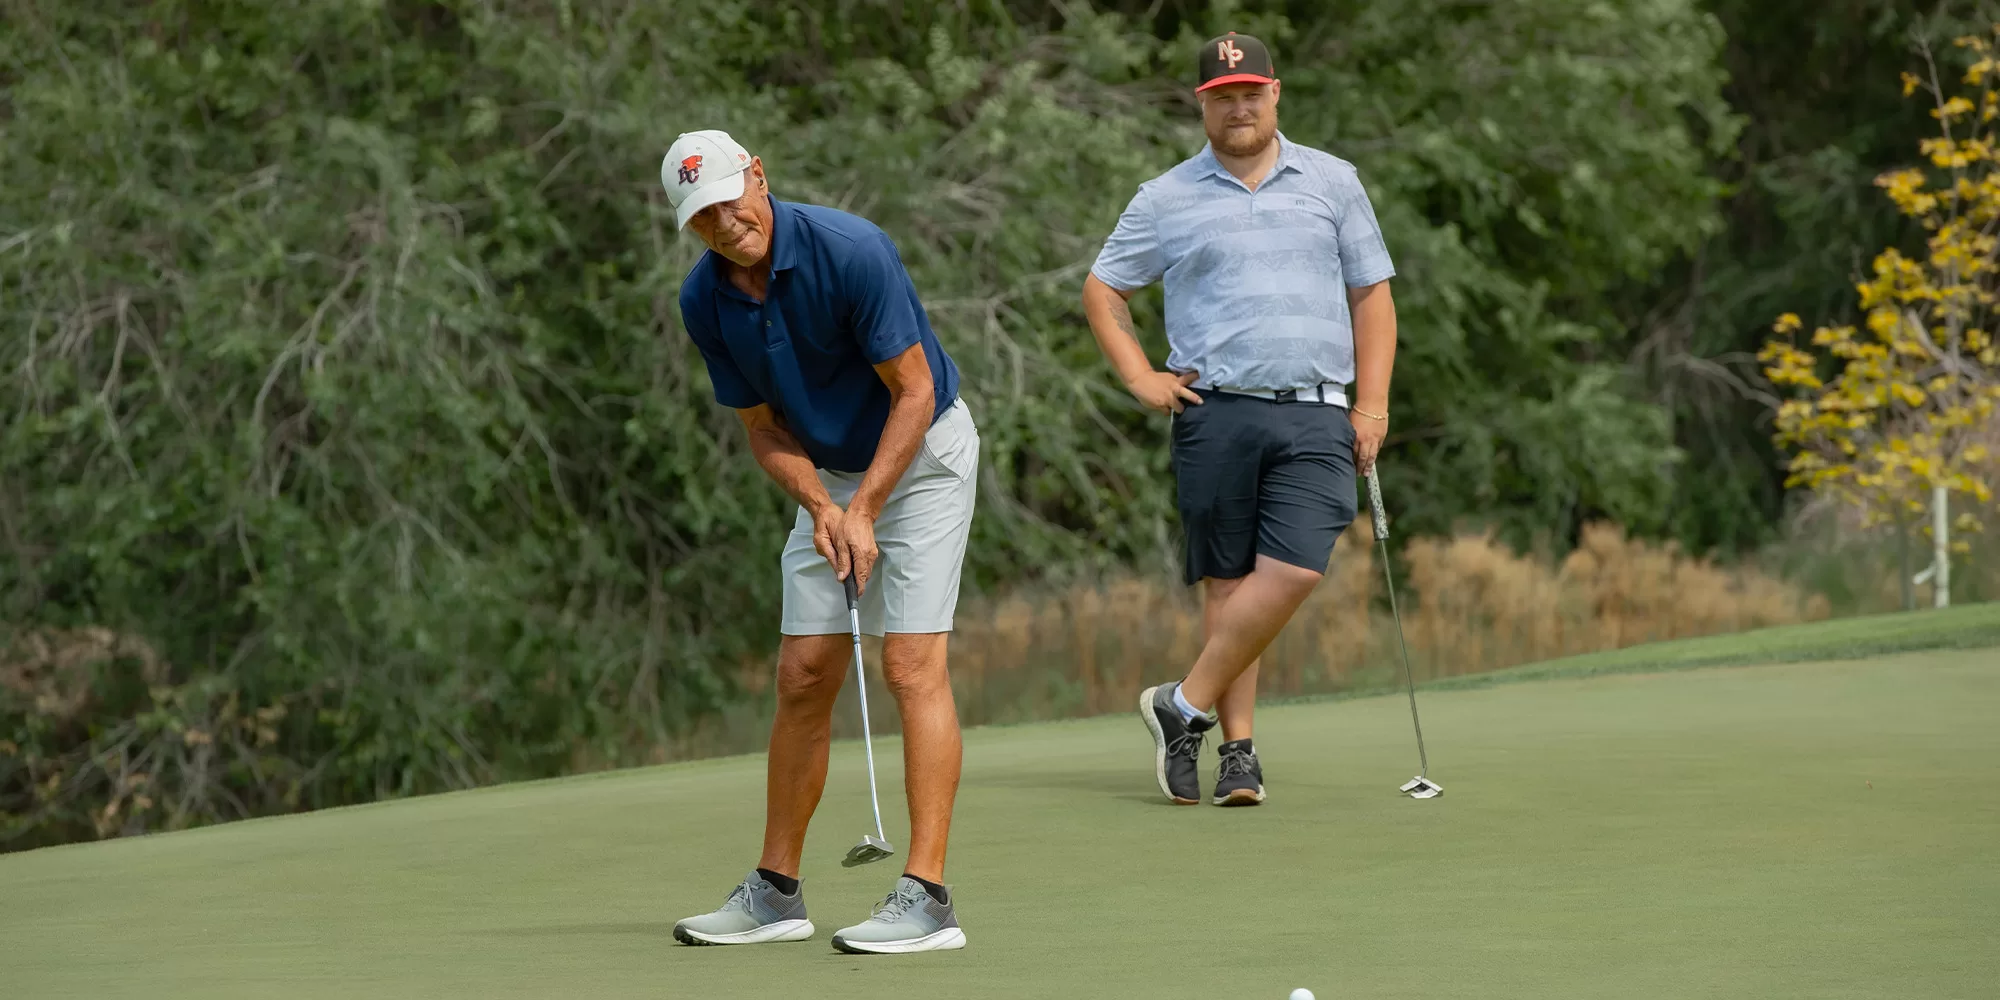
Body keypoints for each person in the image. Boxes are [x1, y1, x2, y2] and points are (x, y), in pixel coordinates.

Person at [662, 129, 978, 955]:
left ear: (759, 176)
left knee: (910, 663)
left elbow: (914, 393)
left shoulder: (851, 250)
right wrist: (822, 504)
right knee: (803, 672)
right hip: (829, 477)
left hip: (923, 458)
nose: (725, 223)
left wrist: (864, 508)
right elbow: (762, 429)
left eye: (730, 200)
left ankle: (928, 898)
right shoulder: (704, 300)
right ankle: (776, 892)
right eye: (702, 218)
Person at [1080, 33, 1399, 807]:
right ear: (1203, 105)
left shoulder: (1332, 180)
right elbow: (1104, 287)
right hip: (1214, 409)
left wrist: (1373, 404)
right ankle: (1237, 753)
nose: (1239, 108)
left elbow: (1372, 294)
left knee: (1295, 568)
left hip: (1317, 407)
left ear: (1275, 93)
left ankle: (1180, 705)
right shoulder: (1165, 197)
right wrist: (1139, 376)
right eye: (1224, 97)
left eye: (1251, 93)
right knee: (1227, 583)